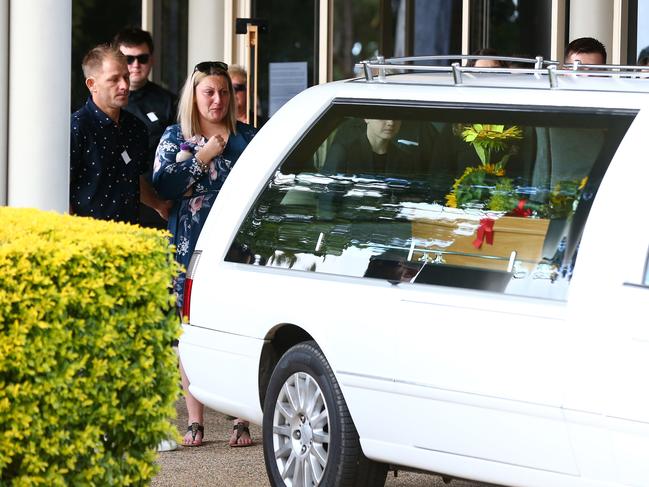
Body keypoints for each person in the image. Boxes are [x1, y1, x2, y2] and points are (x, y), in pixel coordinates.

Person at [152, 61, 257, 447]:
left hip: (238, 249)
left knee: (239, 329)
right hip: (189, 248)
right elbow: (163, 185)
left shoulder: (247, 136)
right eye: (209, 92)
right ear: (193, 96)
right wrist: (202, 156)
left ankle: (240, 420)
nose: (217, 99)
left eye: (224, 92)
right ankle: (195, 422)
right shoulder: (176, 136)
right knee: (189, 333)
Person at [70, 44, 169, 224]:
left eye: (126, 77)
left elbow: (133, 176)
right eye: (114, 79)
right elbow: (61, 189)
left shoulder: (136, 127)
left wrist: (159, 205)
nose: (124, 85)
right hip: (86, 241)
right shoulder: (76, 128)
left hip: (130, 238)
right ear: (92, 84)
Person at [113, 27, 178, 229]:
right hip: (112, 204)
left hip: (157, 205)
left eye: (142, 58)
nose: (135, 65)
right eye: (128, 59)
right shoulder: (101, 103)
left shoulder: (168, 102)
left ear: (152, 60)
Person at [324, 118, 412, 176]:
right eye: (383, 116)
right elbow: (328, 198)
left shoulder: (405, 159)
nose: (391, 122)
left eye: (396, 117)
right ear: (367, 118)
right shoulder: (343, 153)